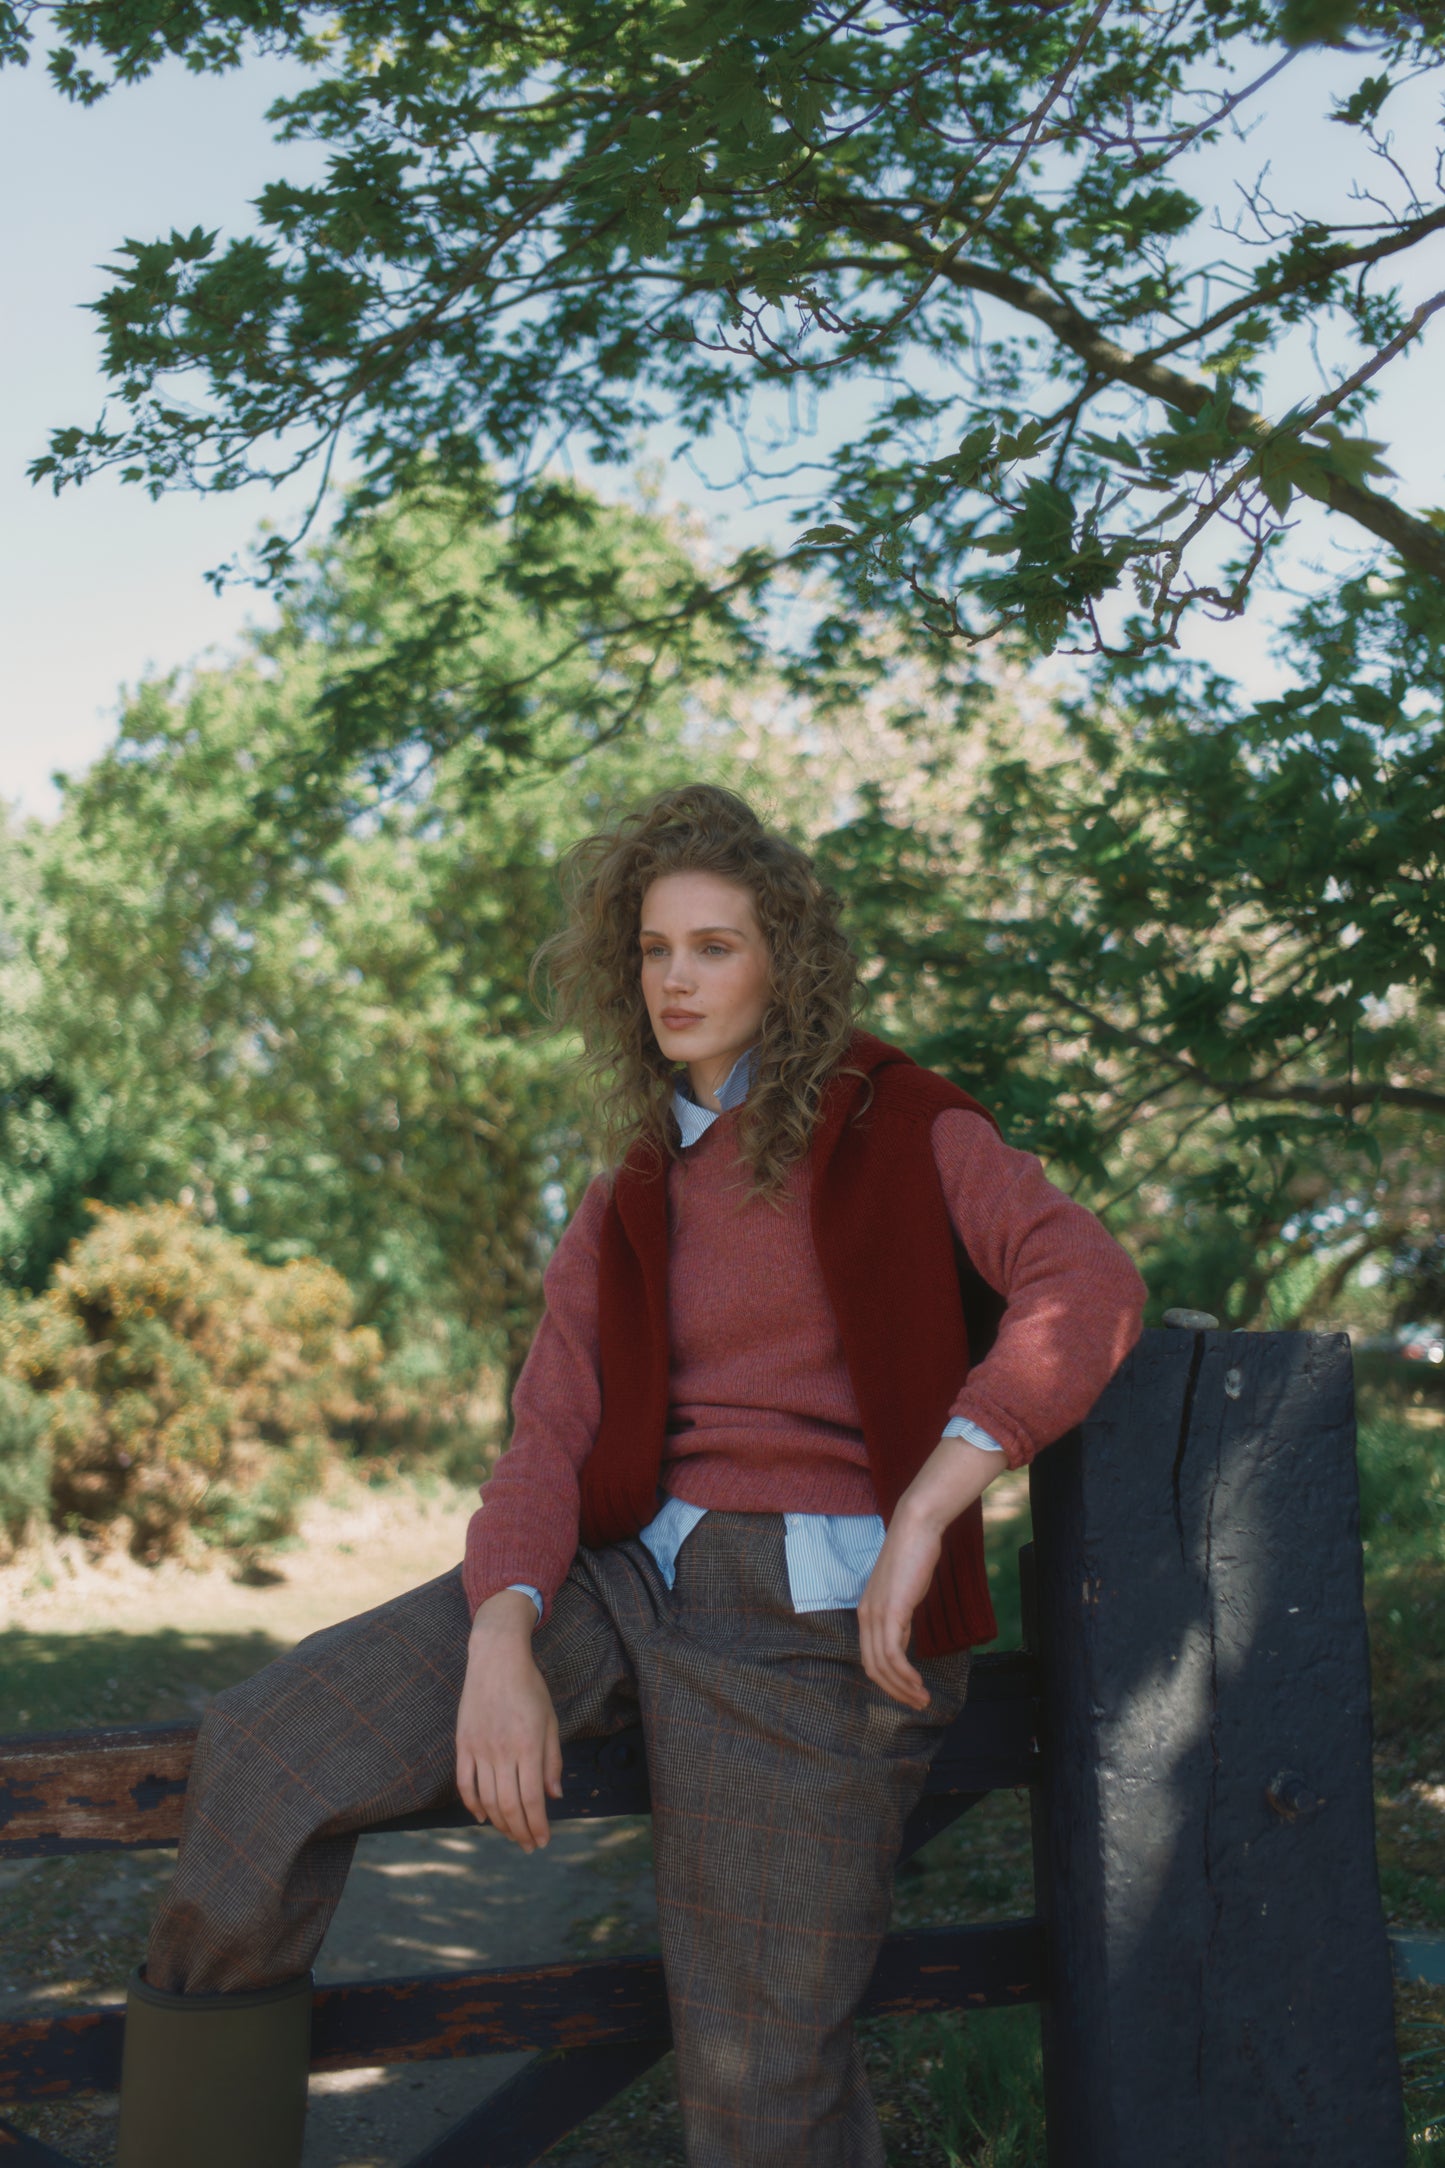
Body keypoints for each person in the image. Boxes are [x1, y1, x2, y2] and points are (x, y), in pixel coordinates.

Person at [115, 784, 1146, 2168]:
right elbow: (547, 1438)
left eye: (714, 946)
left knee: (759, 2083)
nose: (676, 978)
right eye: (655, 949)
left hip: (812, 1633)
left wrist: (930, 1503)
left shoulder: (904, 1127)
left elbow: (1083, 1282)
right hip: (619, 1582)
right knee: (269, 1751)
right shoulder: (630, 1188)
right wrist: (499, 1638)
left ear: (784, 960)